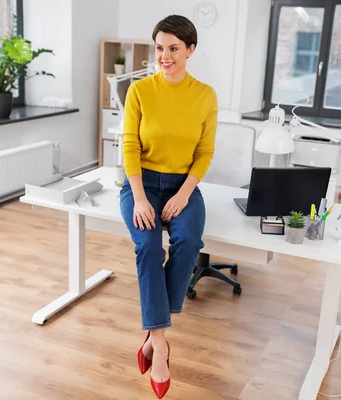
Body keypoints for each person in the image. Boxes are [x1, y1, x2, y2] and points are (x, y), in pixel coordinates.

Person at [118, 14, 218, 399]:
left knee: (190, 242)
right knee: (146, 246)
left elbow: (205, 152)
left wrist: (183, 194)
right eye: (160, 48)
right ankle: (159, 345)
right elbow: (128, 146)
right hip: (141, 182)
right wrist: (141, 198)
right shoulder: (140, 91)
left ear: (190, 50)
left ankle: (152, 332)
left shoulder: (205, 95)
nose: (165, 56)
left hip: (183, 185)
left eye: (173, 48)